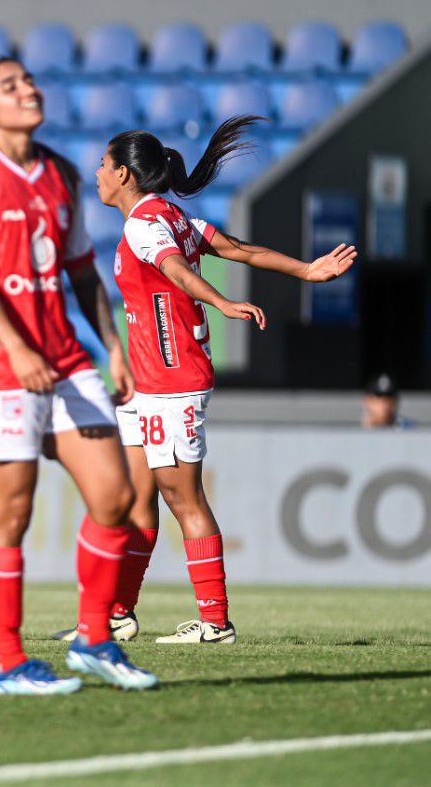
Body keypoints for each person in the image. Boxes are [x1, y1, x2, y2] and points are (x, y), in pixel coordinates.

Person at [75, 118, 355, 645]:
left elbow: (178, 269)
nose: (98, 173)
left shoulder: (147, 226)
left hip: (172, 379)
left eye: (105, 164)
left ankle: (214, 621)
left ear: (125, 176)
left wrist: (222, 301)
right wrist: (306, 270)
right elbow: (238, 249)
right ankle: (117, 614)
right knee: (137, 498)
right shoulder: (172, 216)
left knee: (185, 499)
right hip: (146, 384)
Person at [0, 55, 156, 694]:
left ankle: (94, 640)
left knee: (115, 496)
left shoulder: (60, 173)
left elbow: (83, 271)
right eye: (10, 86)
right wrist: (18, 348)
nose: (27, 89)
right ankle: (7, 664)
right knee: (12, 511)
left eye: (29, 79)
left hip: (63, 357)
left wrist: (111, 347)